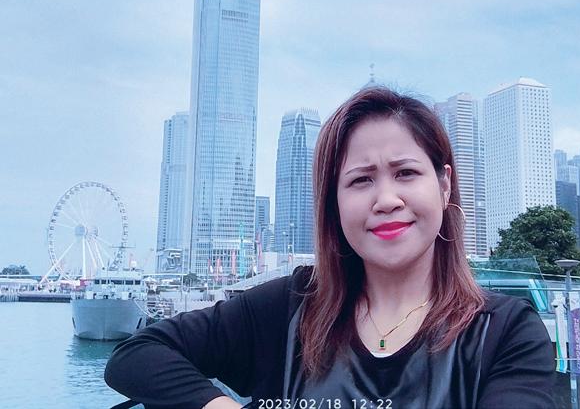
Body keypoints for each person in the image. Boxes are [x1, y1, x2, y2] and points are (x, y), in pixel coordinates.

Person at [105, 86, 556, 409]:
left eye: (405, 173)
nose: (386, 200)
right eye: (361, 180)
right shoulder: (290, 308)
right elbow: (137, 355)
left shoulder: (504, 334)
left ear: (444, 185)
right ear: (333, 204)